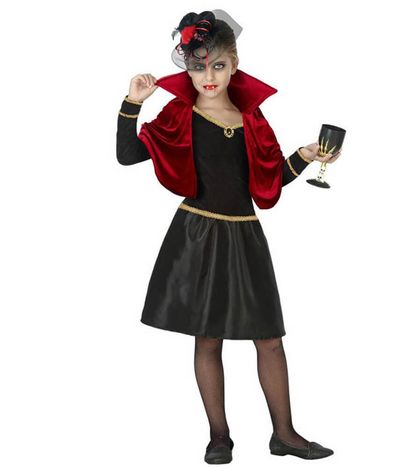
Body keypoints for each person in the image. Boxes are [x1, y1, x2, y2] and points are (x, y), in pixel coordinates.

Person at [116, 9, 341, 464]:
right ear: (187, 69)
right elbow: (127, 154)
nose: (208, 76)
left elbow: (269, 181)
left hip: (245, 237)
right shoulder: (179, 114)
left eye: (218, 65)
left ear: (234, 65)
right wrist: (132, 103)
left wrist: (304, 155)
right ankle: (219, 437)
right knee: (208, 338)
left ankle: (285, 434)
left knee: (269, 338)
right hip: (196, 235)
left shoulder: (251, 118)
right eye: (198, 66)